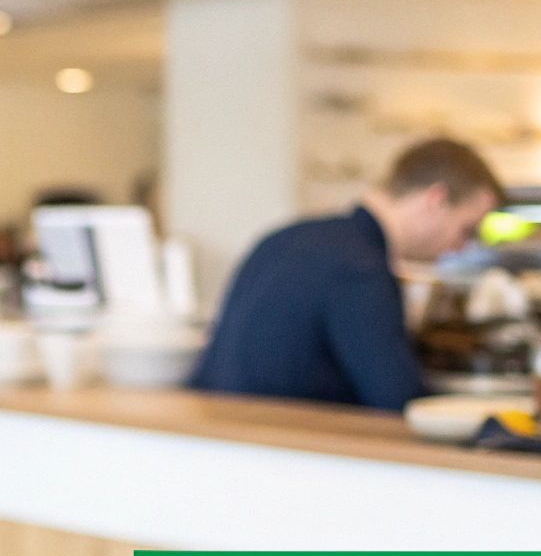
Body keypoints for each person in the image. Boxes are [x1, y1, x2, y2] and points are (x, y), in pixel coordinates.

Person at [189, 138, 503, 411]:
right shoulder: (360, 269)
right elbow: (397, 400)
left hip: (220, 449)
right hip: (285, 462)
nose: (461, 248)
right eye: (466, 229)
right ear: (436, 199)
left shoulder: (286, 237)